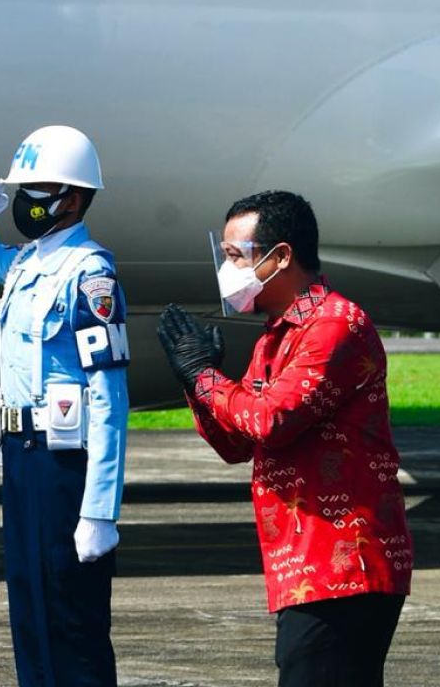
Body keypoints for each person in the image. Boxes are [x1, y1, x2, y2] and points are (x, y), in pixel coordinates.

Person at [156, 190, 412, 687]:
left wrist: (207, 378)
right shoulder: (278, 334)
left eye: (236, 256)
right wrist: (196, 382)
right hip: (305, 568)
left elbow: (271, 420)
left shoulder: (335, 326)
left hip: (344, 566)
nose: (227, 268)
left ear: (280, 257)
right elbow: (237, 444)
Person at [0, 126, 129, 686]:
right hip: (22, 455)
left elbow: (108, 399)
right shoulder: (27, 263)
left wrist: (99, 508)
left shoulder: (90, 274)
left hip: (64, 464)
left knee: (70, 617)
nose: (26, 201)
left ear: (73, 197)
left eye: (38, 188)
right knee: (29, 607)